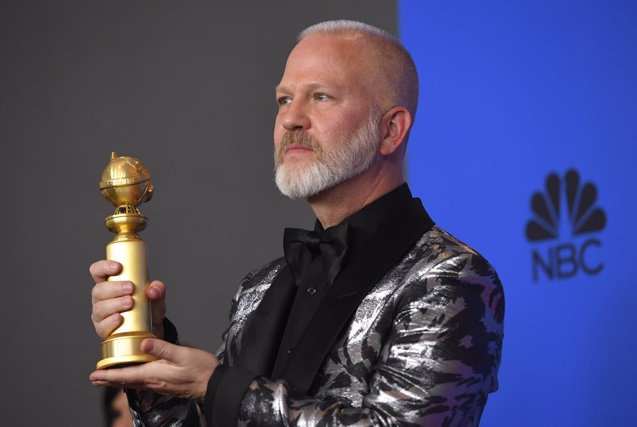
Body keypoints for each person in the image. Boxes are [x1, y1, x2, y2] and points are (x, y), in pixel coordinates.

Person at [89, 20, 504, 426]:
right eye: (284, 100)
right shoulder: (260, 287)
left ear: (390, 130)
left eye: (320, 96)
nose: (291, 119)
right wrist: (151, 350)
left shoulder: (451, 277)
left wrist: (217, 387)